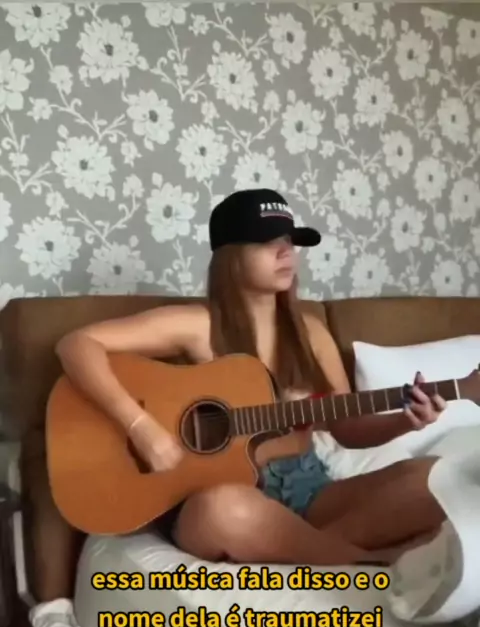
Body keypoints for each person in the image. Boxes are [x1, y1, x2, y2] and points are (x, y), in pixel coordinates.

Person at [56, 188, 447, 568]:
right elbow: (76, 344)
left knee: (436, 478)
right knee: (223, 510)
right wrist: (141, 427)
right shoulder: (197, 325)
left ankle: (305, 547)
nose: (285, 251)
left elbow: (347, 429)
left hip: (308, 489)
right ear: (231, 256)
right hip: (222, 497)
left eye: (289, 241)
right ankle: (363, 560)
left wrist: (405, 421)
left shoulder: (312, 333)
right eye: (266, 242)